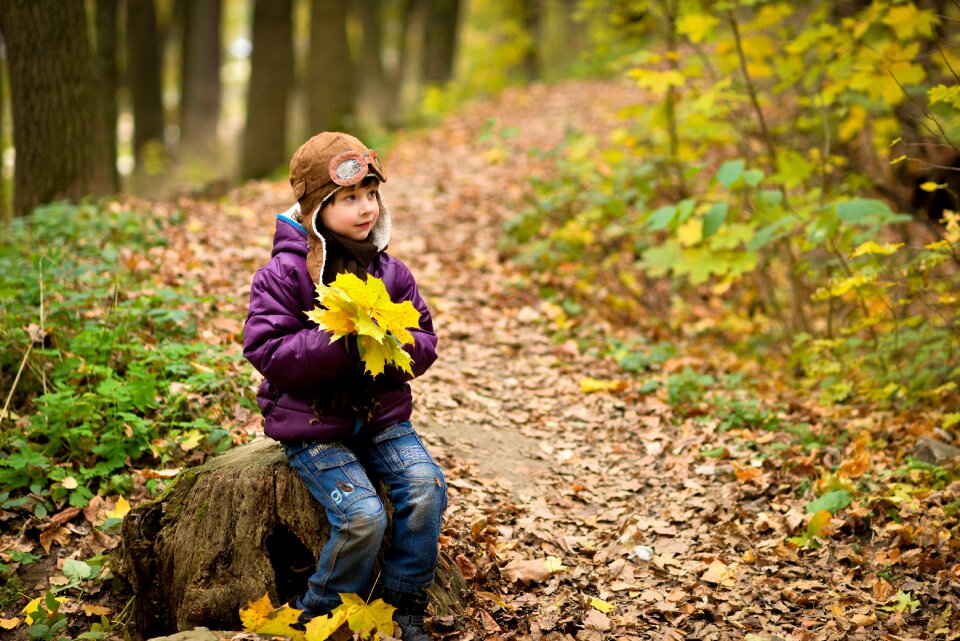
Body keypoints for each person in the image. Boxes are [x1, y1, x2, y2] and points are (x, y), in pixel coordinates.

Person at [243, 132, 446, 641]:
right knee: (362, 517)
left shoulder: (391, 272)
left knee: (425, 488)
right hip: (314, 425)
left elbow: (425, 338)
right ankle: (321, 615)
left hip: (381, 416)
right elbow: (268, 352)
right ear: (316, 210)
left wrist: (394, 344)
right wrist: (340, 342)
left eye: (371, 195)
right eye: (349, 198)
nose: (365, 208)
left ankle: (403, 604)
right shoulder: (283, 276)